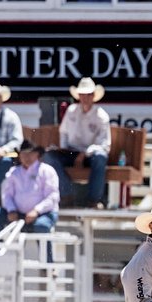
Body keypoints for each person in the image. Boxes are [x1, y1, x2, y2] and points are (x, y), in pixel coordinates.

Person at [44, 77, 111, 209]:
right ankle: (67, 194)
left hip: (90, 155)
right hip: (71, 152)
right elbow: (63, 132)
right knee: (48, 156)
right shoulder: (71, 110)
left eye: (88, 94)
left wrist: (84, 154)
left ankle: (93, 200)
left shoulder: (101, 115)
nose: (85, 97)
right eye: (82, 94)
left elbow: (104, 145)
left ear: (93, 96)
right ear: (78, 96)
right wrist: (62, 148)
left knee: (100, 158)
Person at [0, 139, 60, 235]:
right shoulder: (13, 172)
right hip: (18, 213)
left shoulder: (47, 171)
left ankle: (46, 250)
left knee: (41, 226)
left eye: (30, 153)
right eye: (24, 154)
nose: (27, 157)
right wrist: (11, 210)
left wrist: (36, 211)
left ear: (37, 154)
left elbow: (52, 196)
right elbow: (6, 194)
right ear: (19, 155)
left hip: (44, 213)